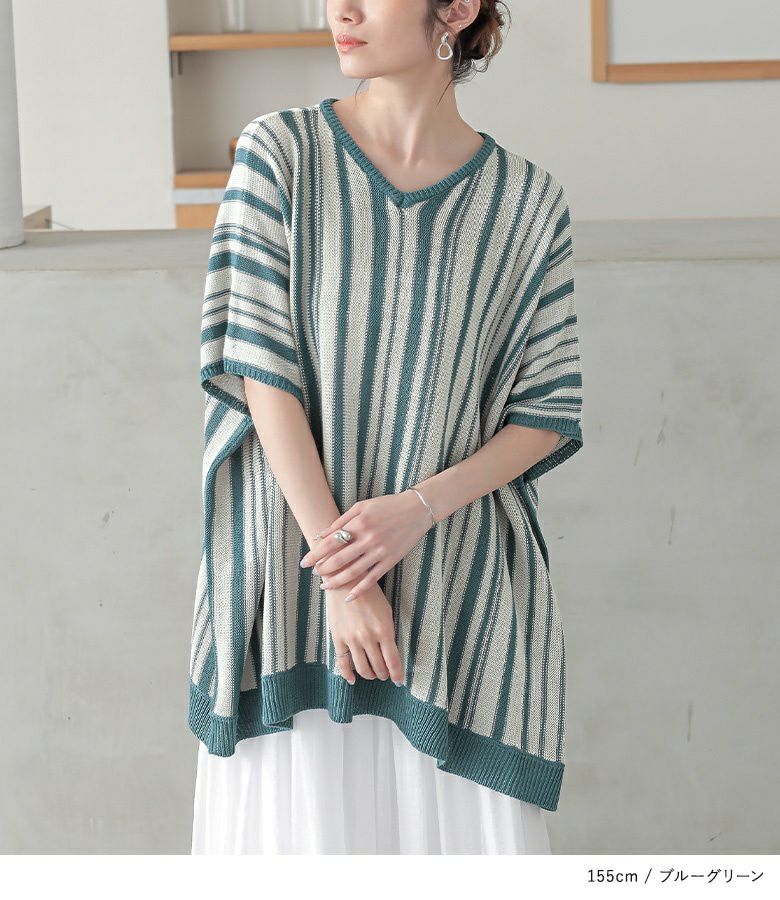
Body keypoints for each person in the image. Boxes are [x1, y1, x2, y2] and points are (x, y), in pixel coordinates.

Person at [189, 0, 584, 855]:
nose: (342, 8)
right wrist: (344, 574)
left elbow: (545, 413)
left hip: (450, 588)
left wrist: (415, 510)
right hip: (296, 581)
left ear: (457, 9)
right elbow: (260, 372)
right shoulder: (280, 153)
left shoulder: (525, 203)